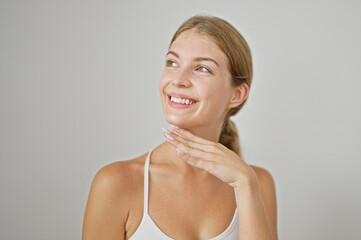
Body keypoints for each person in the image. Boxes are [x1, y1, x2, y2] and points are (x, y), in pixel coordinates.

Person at [82, 15, 278, 240]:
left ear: (236, 95)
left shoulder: (256, 183)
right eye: (172, 63)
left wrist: (244, 183)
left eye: (202, 68)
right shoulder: (116, 183)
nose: (178, 80)